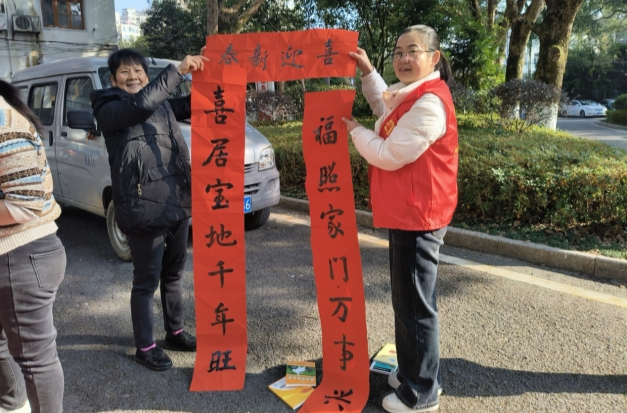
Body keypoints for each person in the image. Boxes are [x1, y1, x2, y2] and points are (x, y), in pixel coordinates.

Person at [343, 25, 458, 413]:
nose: (404, 59)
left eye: (413, 51)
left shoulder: (430, 103)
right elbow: (385, 106)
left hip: (419, 216)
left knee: (415, 305)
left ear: (433, 57)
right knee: (408, 299)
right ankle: (412, 372)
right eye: (398, 52)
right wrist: (366, 71)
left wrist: (354, 131)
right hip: (410, 211)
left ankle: (421, 393)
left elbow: (390, 153)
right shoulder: (414, 94)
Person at [90, 49, 208, 371]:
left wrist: (210, 77)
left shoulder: (160, 103)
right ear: (113, 79)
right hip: (142, 207)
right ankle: (145, 346)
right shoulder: (108, 106)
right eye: (125, 72)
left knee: (174, 273)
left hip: (176, 200)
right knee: (146, 280)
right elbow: (139, 105)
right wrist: (178, 70)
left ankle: (176, 332)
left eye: (138, 71)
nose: (133, 76)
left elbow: (199, 105)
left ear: (146, 73)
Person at [0, 80, 66, 413]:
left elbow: (24, 205)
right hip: (17, 255)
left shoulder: (4, 121)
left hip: (19, 255)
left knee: (36, 359)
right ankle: (14, 406)